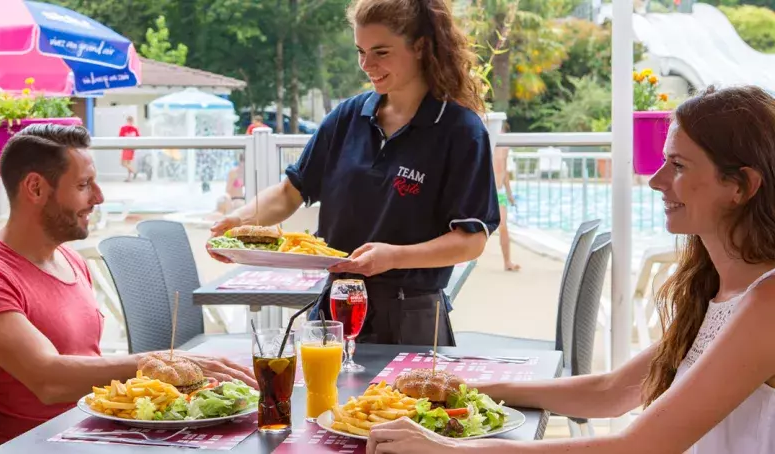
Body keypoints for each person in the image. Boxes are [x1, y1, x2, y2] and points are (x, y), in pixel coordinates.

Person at [366, 85, 775, 454]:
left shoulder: (766, 304)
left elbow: (641, 446)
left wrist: (448, 451)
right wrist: (466, 389)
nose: (656, 180)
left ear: (741, 185)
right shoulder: (719, 291)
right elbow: (611, 391)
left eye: (679, 166)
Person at [209, 0, 500, 346]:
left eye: (381, 52)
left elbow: (470, 240)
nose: (367, 65)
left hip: (411, 315)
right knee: (319, 399)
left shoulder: (460, 130)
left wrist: (393, 257)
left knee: (397, 404)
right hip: (334, 305)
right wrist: (239, 222)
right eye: (360, 51)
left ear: (420, 46)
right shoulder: (347, 118)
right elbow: (290, 193)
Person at [0, 123, 257, 442]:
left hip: (102, 435)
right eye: (84, 185)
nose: (99, 197)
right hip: (46, 447)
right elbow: (49, 380)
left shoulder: (72, 261)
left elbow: (90, 370)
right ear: (36, 188)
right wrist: (157, 362)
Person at [492, 122, 519, 271]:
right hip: (487, 191)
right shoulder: (486, 142)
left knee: (503, 226)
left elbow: (505, 171)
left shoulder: (505, 146)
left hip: (499, 191)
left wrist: (509, 194)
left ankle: (507, 261)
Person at [118, 116, 140, 182]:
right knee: (128, 163)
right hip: (132, 147)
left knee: (123, 163)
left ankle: (134, 172)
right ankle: (129, 178)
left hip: (126, 147)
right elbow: (138, 137)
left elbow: (120, 137)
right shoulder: (135, 129)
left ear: (127, 121)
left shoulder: (124, 128)